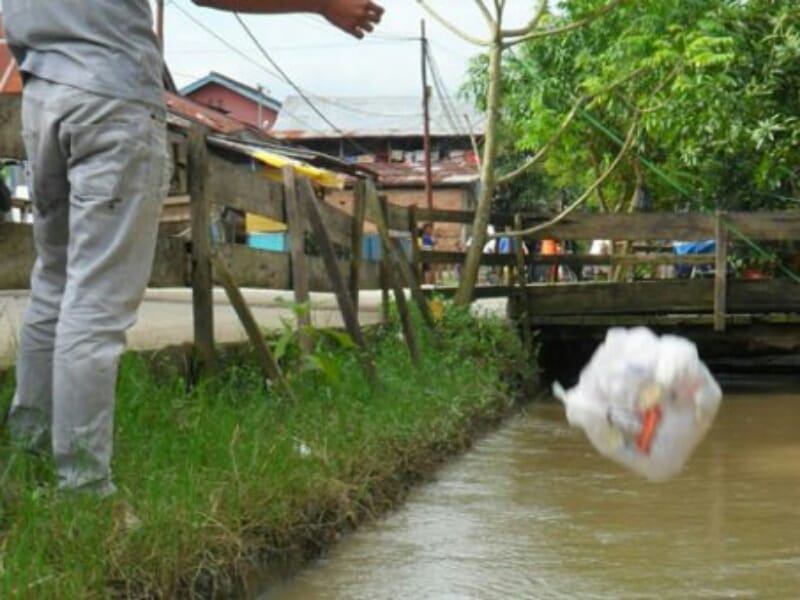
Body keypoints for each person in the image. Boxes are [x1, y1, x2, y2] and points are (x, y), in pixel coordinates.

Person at [2, 0, 384, 496]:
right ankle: (84, 489)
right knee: (95, 306)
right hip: (109, 101)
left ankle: (25, 458)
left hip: (43, 102)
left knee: (53, 286)